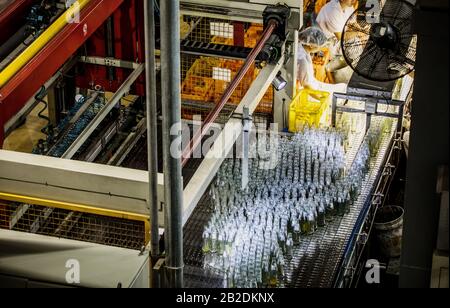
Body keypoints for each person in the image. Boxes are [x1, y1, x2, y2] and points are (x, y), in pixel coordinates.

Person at [316, 0, 357, 83]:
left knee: (355, 51)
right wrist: (358, 33)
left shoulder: (349, 6)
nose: (354, 0)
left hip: (337, 38)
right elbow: (341, 37)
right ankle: (333, 83)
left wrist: (362, 29)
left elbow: (353, 23)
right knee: (333, 64)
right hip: (324, 42)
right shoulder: (332, 11)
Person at [297, 27, 346, 95]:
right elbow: (307, 86)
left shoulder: (301, 48)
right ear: (311, 45)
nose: (320, 49)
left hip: (315, 84)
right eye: (319, 46)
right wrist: (320, 98)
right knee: (339, 93)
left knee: (343, 87)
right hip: (311, 91)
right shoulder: (302, 60)